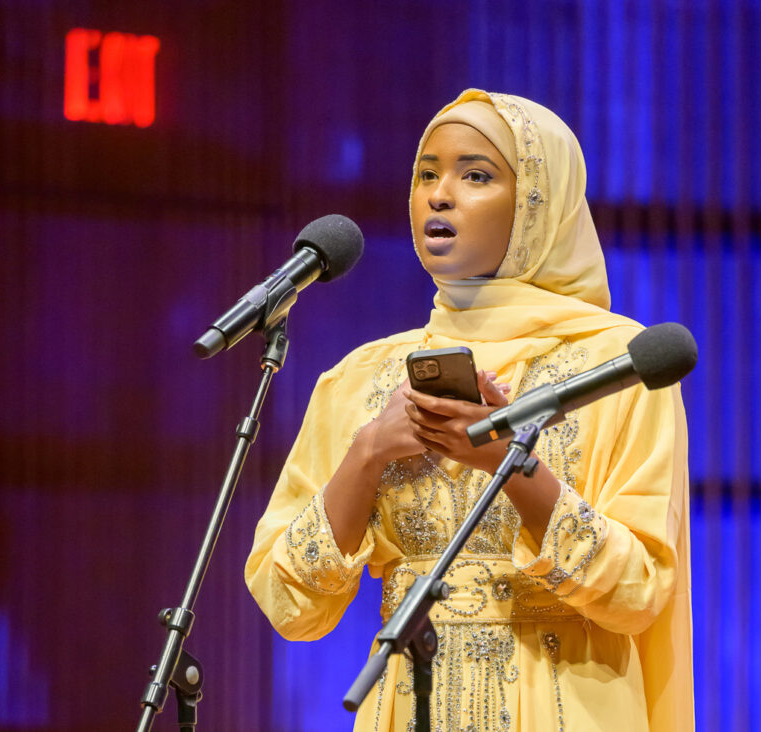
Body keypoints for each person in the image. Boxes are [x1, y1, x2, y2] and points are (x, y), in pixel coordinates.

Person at [245, 89, 693, 731]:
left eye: (475, 175)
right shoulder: (361, 378)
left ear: (540, 202)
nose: (440, 193)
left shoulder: (624, 363)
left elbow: (642, 589)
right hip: (411, 701)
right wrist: (370, 451)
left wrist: (508, 464)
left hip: (566, 705)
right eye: (427, 173)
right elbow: (289, 601)